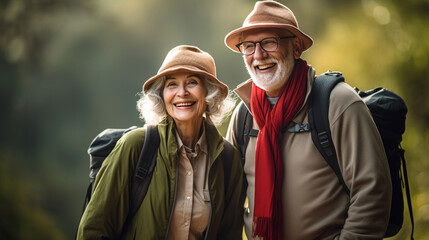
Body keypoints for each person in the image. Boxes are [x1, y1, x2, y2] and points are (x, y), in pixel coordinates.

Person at [224, 1, 392, 240]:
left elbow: (372, 194)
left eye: (269, 42)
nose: (258, 54)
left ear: (296, 48)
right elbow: (228, 198)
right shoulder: (244, 115)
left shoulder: (339, 104)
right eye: (248, 46)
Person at [77, 45, 244, 240]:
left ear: (209, 93)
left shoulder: (227, 158)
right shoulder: (136, 146)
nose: (182, 93)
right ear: (162, 95)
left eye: (192, 82)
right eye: (172, 84)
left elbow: (229, 235)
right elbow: (94, 231)